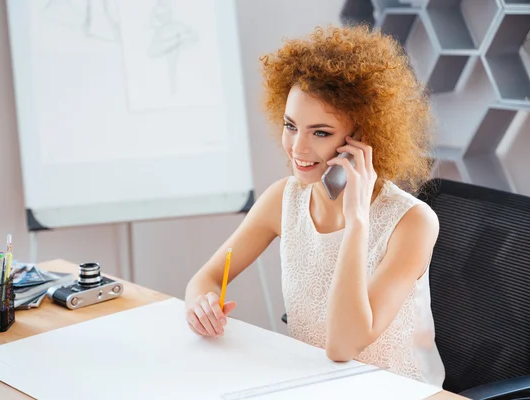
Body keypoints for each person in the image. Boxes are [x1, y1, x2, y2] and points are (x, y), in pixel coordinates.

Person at [184, 24, 445, 387]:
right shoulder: (284, 198)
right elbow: (207, 279)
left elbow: (343, 346)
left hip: (395, 390)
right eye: (292, 126)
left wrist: (356, 221)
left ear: (362, 139)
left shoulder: (413, 223)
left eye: (320, 132)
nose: (297, 148)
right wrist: (202, 303)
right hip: (311, 384)